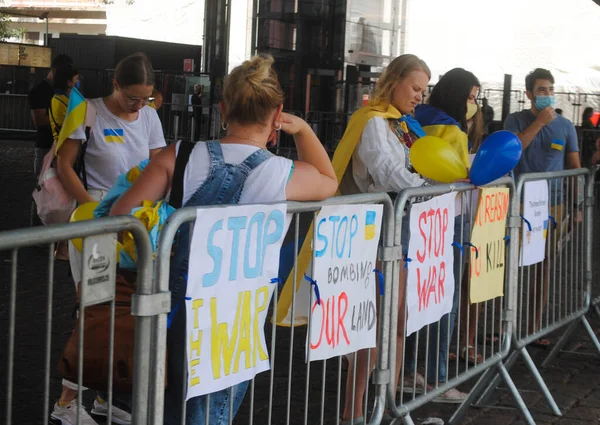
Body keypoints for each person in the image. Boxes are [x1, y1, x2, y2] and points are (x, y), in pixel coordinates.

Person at [108, 54, 338, 425]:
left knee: (163, 403)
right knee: (215, 409)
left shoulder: (178, 155)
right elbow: (329, 181)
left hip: (171, 305)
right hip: (237, 316)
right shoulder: (282, 172)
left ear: (222, 108)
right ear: (277, 112)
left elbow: (123, 214)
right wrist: (303, 130)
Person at [51, 52, 166, 425]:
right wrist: (94, 209)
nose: (138, 105)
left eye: (145, 98)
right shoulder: (91, 112)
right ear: (115, 85)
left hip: (133, 226)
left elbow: (156, 166)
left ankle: (103, 395)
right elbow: (63, 164)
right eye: (132, 97)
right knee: (98, 309)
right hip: (98, 221)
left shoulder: (149, 116)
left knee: (121, 311)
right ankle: (67, 402)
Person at [410, 68, 480, 402]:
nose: (473, 104)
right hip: (446, 219)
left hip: (413, 216)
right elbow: (458, 173)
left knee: (412, 297)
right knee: (444, 298)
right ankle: (437, 378)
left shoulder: (415, 118)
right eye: (470, 97)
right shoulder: (451, 126)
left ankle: (409, 370)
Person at [504, 67, 581, 347]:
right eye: (541, 91)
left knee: (544, 266)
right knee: (510, 266)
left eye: (550, 90)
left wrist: (579, 204)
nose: (547, 95)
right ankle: (507, 325)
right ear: (529, 95)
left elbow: (575, 167)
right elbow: (511, 152)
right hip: (519, 204)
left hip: (554, 205)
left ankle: (534, 327)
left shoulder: (565, 126)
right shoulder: (515, 120)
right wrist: (538, 124)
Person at [28, 53, 73, 225]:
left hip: (62, 147)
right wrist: (65, 121)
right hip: (46, 146)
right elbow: (39, 120)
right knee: (43, 187)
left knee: (59, 189)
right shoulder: (39, 91)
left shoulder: (65, 91)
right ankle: (38, 230)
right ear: (55, 71)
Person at [48, 63, 80, 261]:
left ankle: (63, 246)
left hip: (62, 150)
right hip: (65, 153)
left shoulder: (61, 98)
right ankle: (62, 247)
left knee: (69, 202)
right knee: (68, 203)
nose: (78, 82)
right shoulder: (61, 101)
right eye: (76, 79)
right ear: (69, 81)